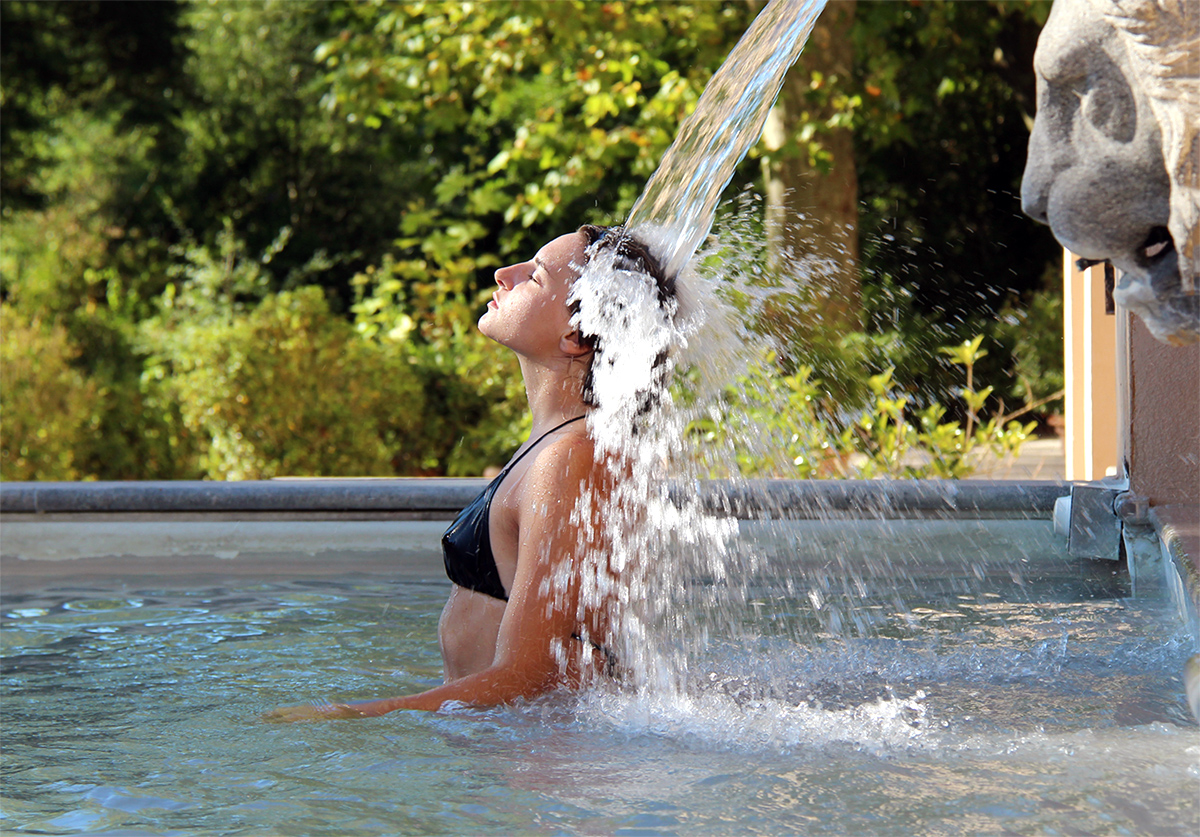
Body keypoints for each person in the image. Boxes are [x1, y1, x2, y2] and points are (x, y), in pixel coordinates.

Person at [265, 225, 672, 721]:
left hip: (548, 760)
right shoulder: (558, 445)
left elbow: (530, 676)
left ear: (575, 336)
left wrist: (355, 715)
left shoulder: (570, 460)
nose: (504, 274)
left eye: (535, 275)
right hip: (522, 745)